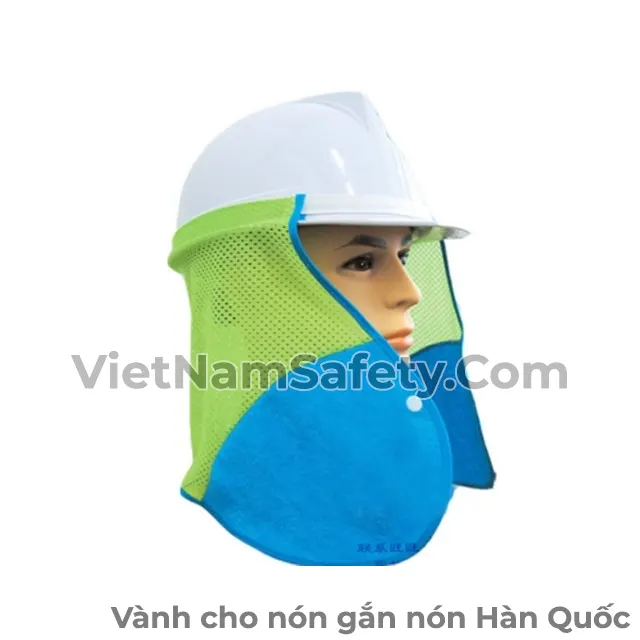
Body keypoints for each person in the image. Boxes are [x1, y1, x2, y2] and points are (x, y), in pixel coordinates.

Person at [168, 91, 494, 566]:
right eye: (361, 262)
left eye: (404, 257)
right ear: (234, 293)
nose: (410, 292)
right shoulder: (235, 510)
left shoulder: (383, 460)